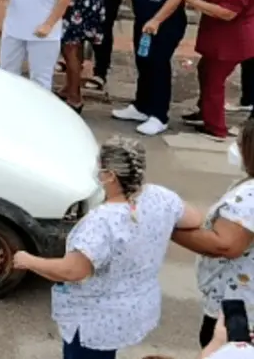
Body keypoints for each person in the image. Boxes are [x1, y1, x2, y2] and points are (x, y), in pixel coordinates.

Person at [13, 135, 201, 358]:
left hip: (95, 320)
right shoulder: (161, 197)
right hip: (137, 306)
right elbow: (194, 219)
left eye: (100, 166)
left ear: (110, 175)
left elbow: (73, 271)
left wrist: (29, 260)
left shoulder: (101, 222)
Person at [111, 0, 197, 136]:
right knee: (143, 60)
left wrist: (157, 19)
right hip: (142, 16)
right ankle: (141, 105)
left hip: (164, 21)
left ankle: (159, 115)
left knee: (158, 64)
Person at [173, 121, 254, 348]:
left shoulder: (249, 197)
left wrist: (168, 227)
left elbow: (225, 244)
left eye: (240, 143)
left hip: (238, 310)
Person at [177, 0, 254, 140]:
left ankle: (216, 126)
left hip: (230, 40)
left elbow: (228, 12)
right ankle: (206, 113)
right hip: (223, 38)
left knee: (214, 80)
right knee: (206, 72)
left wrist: (193, 0)